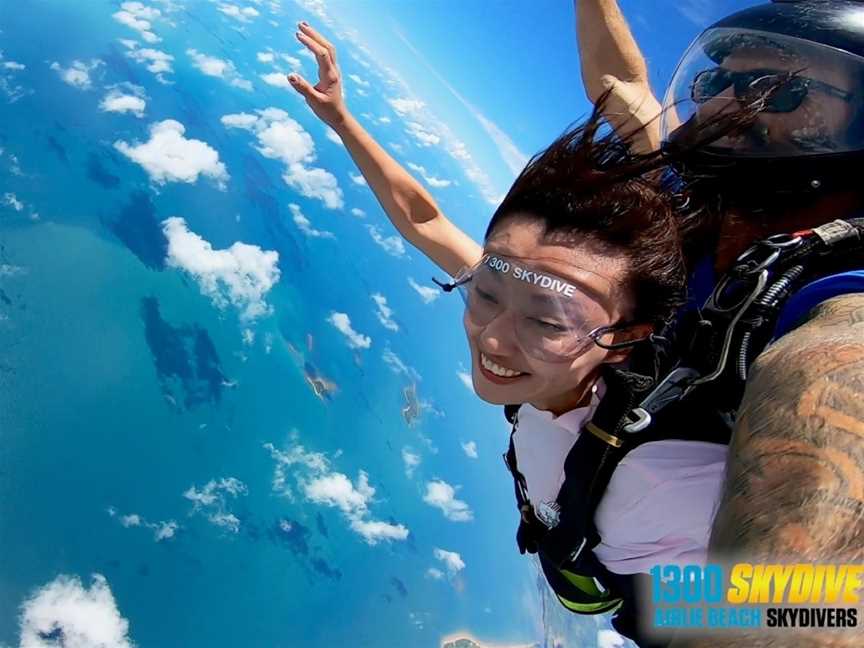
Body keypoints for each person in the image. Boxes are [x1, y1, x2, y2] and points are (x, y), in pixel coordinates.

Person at [287, 22, 736, 647]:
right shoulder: (549, 310)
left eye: (547, 321)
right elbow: (425, 219)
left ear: (626, 339)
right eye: (485, 293)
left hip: (618, 578)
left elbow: (811, 608)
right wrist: (341, 120)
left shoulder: (661, 479)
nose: (494, 338)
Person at [576, 1, 864, 646]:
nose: (727, 106)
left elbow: (838, 364)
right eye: (715, 82)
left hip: (661, 602)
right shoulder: (698, 202)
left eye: (777, 89)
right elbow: (622, 88)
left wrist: (723, 622)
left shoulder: (840, 278)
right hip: (596, 544)